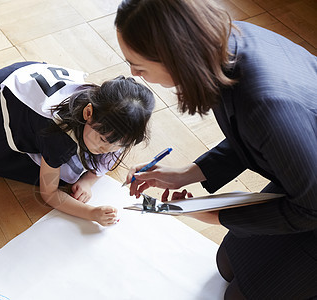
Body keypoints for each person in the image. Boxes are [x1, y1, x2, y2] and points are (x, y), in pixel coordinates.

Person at [116, 0, 317, 299]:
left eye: (139, 65)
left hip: (311, 203)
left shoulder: (266, 103)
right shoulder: (229, 42)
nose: (133, 73)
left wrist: (216, 216)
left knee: (235, 294)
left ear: (176, 57)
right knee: (227, 263)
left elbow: (309, 210)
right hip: (307, 174)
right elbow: (256, 136)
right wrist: (188, 173)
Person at [0, 61, 155, 227]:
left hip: (24, 76)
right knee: (61, 175)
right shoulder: (58, 135)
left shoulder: (105, 103)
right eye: (104, 140)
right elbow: (49, 193)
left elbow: (111, 146)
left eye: (120, 145)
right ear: (87, 113)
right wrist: (91, 213)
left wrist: (88, 180)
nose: (107, 150)